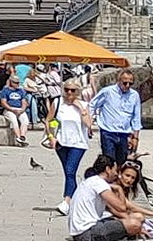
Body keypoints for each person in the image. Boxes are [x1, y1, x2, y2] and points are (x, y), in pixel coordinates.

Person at [52, 80, 95, 216]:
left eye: (73, 90)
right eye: (67, 90)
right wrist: (51, 135)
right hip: (61, 142)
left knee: (71, 171)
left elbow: (88, 125)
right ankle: (75, 201)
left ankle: (66, 202)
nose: (69, 93)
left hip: (78, 144)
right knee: (68, 173)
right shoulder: (58, 103)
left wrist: (81, 109)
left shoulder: (84, 105)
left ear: (78, 92)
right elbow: (50, 120)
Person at [90, 71, 141, 164]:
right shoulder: (107, 92)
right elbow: (92, 105)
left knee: (122, 162)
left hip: (124, 134)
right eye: (125, 83)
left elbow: (136, 117)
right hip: (108, 132)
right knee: (109, 161)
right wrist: (89, 123)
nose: (127, 85)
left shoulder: (134, 95)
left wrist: (136, 138)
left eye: (131, 83)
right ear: (118, 81)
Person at [0, 79, 31, 146]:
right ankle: (18, 137)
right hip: (10, 109)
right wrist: (11, 109)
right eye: (15, 82)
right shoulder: (5, 90)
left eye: (18, 82)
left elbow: (24, 101)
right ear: (11, 82)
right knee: (14, 121)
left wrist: (22, 109)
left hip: (20, 108)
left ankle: (22, 136)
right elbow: (3, 102)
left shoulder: (21, 91)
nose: (17, 84)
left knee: (25, 121)